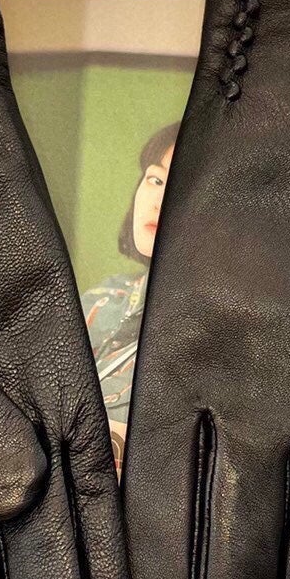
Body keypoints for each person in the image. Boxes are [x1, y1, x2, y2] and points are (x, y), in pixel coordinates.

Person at [82, 121, 177, 470]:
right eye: (156, 180)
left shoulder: (221, 337)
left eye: (181, 185)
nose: (158, 201)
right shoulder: (103, 298)